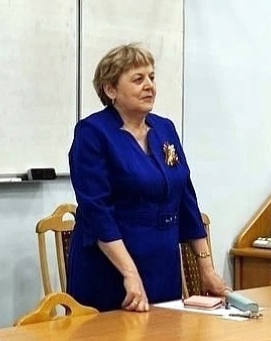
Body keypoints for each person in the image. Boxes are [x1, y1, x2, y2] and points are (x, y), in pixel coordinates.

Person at [67, 43, 227, 312]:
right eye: (138, 79)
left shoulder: (165, 128)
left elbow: (185, 199)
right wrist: (130, 273)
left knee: (164, 335)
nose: (149, 86)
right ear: (111, 90)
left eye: (152, 77)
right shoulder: (92, 133)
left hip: (162, 264)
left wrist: (206, 268)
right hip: (110, 269)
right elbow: (98, 212)